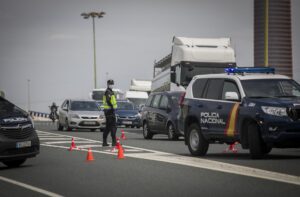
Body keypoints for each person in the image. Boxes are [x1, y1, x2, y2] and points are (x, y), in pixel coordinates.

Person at [102, 79, 118, 147]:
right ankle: (114, 142)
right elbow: (108, 101)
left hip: (109, 111)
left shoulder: (110, 91)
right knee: (113, 126)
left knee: (108, 127)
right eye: (111, 84)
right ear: (108, 84)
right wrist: (112, 107)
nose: (112, 85)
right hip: (109, 111)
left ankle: (104, 142)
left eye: (112, 84)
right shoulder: (108, 92)